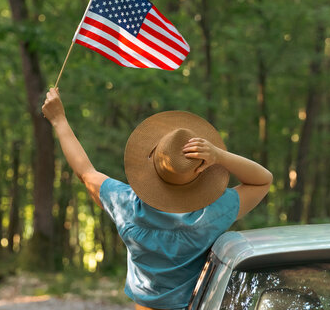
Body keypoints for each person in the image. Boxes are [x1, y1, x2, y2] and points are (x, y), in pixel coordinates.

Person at [42, 88, 273, 310]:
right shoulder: (210, 215)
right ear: (202, 172)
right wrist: (219, 156)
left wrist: (59, 120)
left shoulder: (127, 206)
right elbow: (262, 180)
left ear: (151, 163)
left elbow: (86, 173)